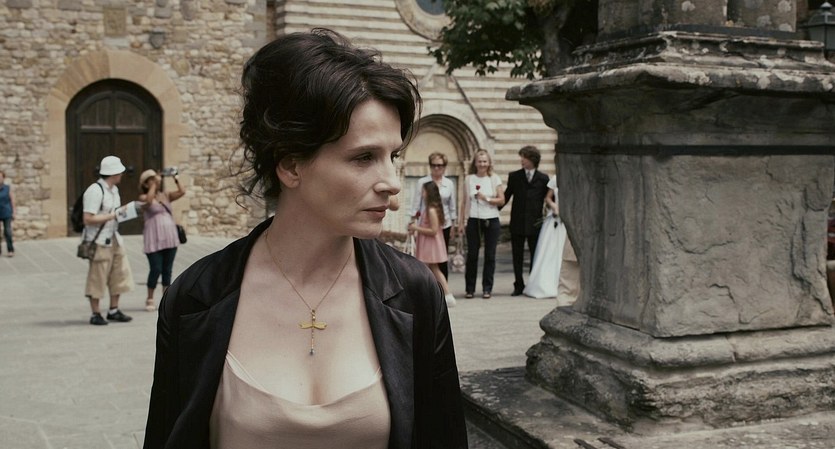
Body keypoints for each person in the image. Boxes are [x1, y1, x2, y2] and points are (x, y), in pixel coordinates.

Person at [144, 29, 467, 449]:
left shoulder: (414, 293)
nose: (391, 182)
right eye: (364, 157)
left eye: (393, 156)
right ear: (291, 166)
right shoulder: (197, 297)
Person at [81, 155, 134, 325]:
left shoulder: (114, 190)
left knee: (119, 274)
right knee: (98, 276)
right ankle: (95, 313)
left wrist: (123, 212)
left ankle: (114, 309)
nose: (122, 175)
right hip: (99, 241)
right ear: (114, 173)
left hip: (114, 237)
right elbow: (88, 218)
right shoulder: (95, 191)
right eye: (120, 172)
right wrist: (113, 215)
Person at [502, 146, 550, 296]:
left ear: (533, 159)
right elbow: (506, 197)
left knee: (535, 255)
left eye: (525, 157)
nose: (522, 160)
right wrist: (491, 209)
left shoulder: (543, 178)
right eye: (521, 157)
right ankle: (518, 284)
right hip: (517, 222)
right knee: (517, 256)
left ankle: (533, 283)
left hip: (535, 224)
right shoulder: (514, 176)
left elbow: (549, 199)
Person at [458, 149, 504, 299]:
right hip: (474, 219)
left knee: (490, 255)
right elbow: (464, 202)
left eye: (485, 161)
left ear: (489, 163)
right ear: (475, 163)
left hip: (491, 219)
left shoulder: (494, 178)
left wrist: (486, 199)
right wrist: (461, 222)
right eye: (480, 161)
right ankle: (470, 289)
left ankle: (487, 288)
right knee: (472, 255)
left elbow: (501, 200)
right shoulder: (469, 179)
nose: (482, 164)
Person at [138, 169, 186, 312]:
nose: (155, 181)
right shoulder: (143, 197)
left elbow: (182, 192)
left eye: (155, 179)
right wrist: (154, 184)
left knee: (167, 270)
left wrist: (175, 177)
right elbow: (148, 201)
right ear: (145, 184)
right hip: (153, 238)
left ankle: (166, 299)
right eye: (151, 180)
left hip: (170, 238)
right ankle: (150, 298)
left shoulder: (165, 195)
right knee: (156, 269)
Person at [409, 152, 457, 280]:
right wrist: (412, 222)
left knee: (441, 258)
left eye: (439, 165)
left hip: (444, 224)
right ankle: (429, 286)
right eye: (433, 165)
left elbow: (452, 205)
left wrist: (454, 224)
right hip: (426, 225)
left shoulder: (449, 183)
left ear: (444, 166)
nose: (436, 168)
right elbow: (416, 204)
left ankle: (442, 287)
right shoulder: (422, 182)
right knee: (425, 259)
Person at [409, 182, 456, 308]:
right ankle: (443, 295)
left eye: (424, 191)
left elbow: (434, 230)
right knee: (433, 269)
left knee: (426, 269)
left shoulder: (431, 210)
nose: (422, 194)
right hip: (428, 243)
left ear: (429, 193)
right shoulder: (429, 208)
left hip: (429, 244)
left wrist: (416, 228)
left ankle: (430, 295)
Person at [523, 174, 567, 299]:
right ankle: (545, 284)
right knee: (550, 251)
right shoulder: (555, 178)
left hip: (568, 220)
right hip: (555, 219)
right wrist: (554, 206)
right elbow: (548, 198)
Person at [0, 170, 14, 257]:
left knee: (7, 232)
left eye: (0, 177)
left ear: (3, 178)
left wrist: (14, 212)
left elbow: (12, 200)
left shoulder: (7, 188)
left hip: (6, 212)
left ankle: (10, 250)